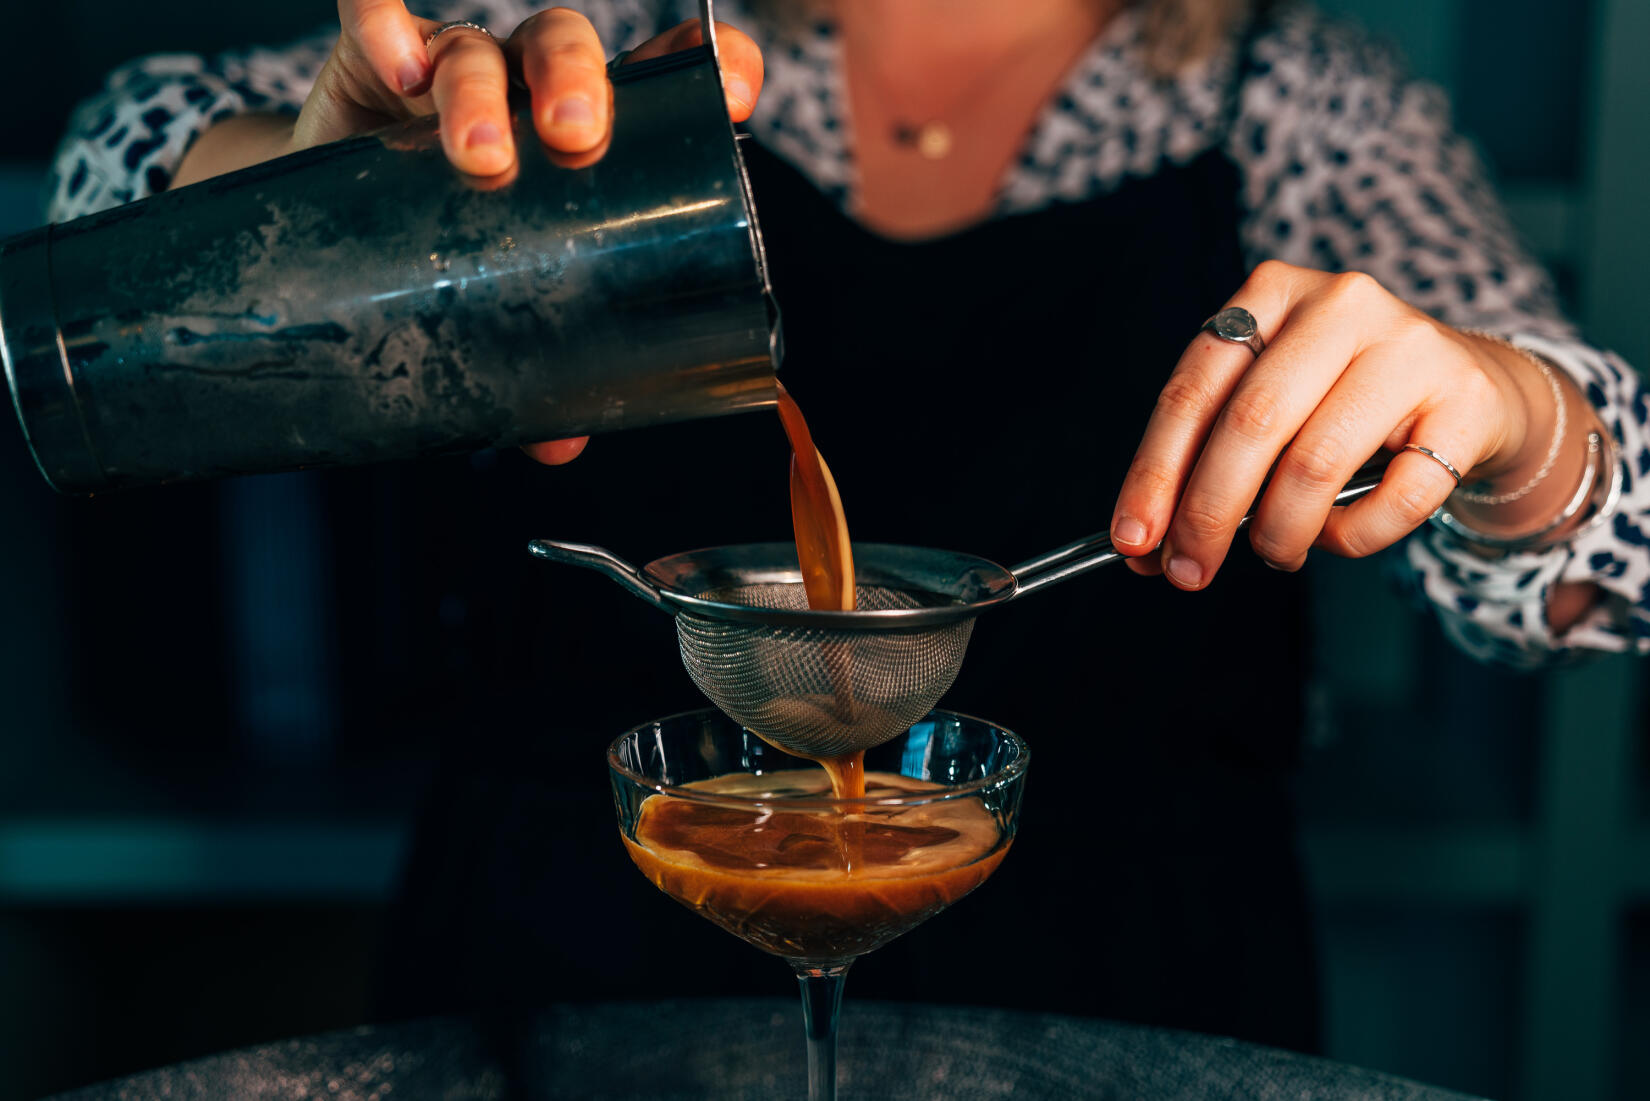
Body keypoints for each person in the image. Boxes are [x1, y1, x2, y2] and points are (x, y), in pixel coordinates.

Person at [48, 0, 1650, 1054]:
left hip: (1130, 966)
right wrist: (305, 207)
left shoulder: (1305, 103)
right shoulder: (615, 44)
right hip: (574, 940)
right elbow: (113, 162)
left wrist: (1514, 419)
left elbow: (1595, 581)